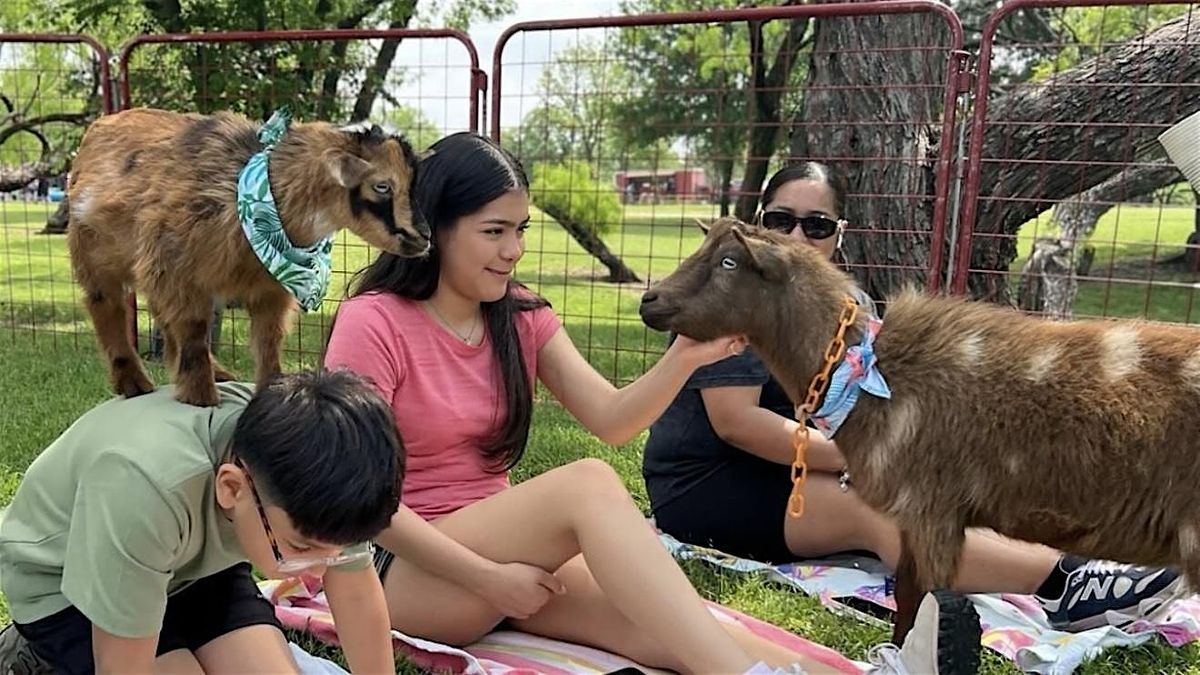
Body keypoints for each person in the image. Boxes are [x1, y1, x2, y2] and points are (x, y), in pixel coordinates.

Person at [325, 131, 892, 675]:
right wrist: (488, 579)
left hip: (510, 550)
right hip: (405, 574)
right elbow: (357, 503)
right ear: (434, 227)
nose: (514, 250)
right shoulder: (372, 322)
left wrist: (686, 356)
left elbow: (612, 420)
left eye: (520, 230)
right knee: (588, 484)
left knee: (676, 631)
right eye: (494, 232)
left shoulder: (519, 315)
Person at [642, 161, 1186, 635]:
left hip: (799, 470)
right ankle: (1068, 584)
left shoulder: (845, 305)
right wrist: (869, 458)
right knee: (893, 511)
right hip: (716, 480)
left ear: (839, 233)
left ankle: (1077, 566)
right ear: (759, 226)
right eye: (781, 221)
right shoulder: (736, 301)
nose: (798, 236)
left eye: (817, 224)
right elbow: (738, 424)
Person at [0, 369, 403, 675]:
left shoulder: (324, 469)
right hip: (69, 585)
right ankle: (31, 655)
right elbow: (123, 668)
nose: (316, 571)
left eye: (334, 554)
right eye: (300, 548)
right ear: (231, 487)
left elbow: (355, 592)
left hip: (195, 569)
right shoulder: (146, 484)